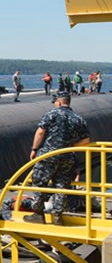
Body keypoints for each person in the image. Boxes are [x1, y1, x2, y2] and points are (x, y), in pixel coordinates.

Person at [18, 91, 91, 224]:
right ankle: (57, 216)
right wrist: (72, 145)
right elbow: (86, 140)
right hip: (67, 157)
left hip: (48, 155)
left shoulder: (52, 114)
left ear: (59, 102)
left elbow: (40, 132)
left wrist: (34, 149)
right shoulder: (78, 118)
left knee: (39, 182)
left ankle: (38, 214)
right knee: (61, 185)